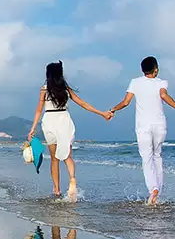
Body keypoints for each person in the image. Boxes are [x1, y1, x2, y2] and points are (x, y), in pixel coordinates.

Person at [109, 56, 175, 205]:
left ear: (142, 70)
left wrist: (112, 109)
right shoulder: (162, 82)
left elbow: (126, 102)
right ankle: (157, 190)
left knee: (147, 158)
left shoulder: (135, 82)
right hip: (160, 125)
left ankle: (153, 189)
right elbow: (164, 95)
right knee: (157, 156)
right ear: (156, 69)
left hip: (143, 126)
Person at [27, 61, 112, 199]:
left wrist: (32, 128)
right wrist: (102, 113)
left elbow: (38, 111)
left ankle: (57, 190)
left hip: (50, 121)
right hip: (64, 120)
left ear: (48, 75)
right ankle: (72, 178)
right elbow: (83, 104)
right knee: (68, 155)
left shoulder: (44, 89)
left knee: (54, 159)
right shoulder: (66, 89)